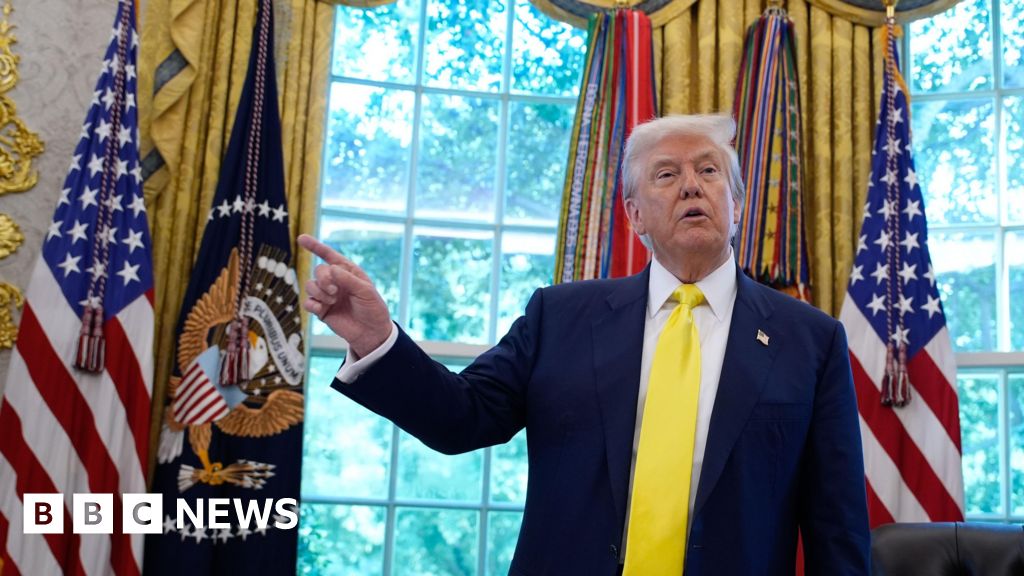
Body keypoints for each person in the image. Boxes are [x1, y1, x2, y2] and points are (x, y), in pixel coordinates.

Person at [299, 114, 870, 575]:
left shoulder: (810, 340)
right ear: (634, 215)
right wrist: (377, 340)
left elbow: (837, 527)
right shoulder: (560, 318)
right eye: (666, 174)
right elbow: (460, 419)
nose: (692, 185)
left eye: (709, 170)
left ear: (737, 205)